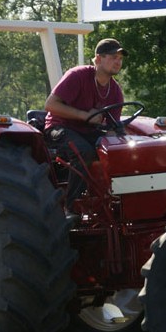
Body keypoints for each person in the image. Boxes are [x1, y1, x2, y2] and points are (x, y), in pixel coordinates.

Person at [44, 38, 127, 209]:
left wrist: (117, 143)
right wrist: (83, 115)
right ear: (98, 59)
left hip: (88, 132)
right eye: (113, 57)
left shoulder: (115, 91)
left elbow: (111, 127)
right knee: (84, 152)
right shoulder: (78, 76)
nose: (118, 62)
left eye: (120, 58)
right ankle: (71, 207)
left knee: (120, 150)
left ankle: (114, 199)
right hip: (60, 127)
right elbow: (50, 105)